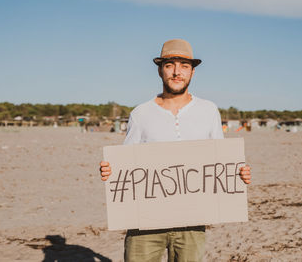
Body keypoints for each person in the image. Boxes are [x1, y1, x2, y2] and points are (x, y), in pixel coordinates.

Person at [100, 39, 251, 262]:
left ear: (192, 72)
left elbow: (221, 161)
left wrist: (239, 173)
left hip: (192, 222)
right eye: (170, 65)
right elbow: (125, 167)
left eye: (184, 66)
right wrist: (109, 171)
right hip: (146, 223)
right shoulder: (141, 113)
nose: (177, 72)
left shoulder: (208, 111)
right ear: (160, 70)